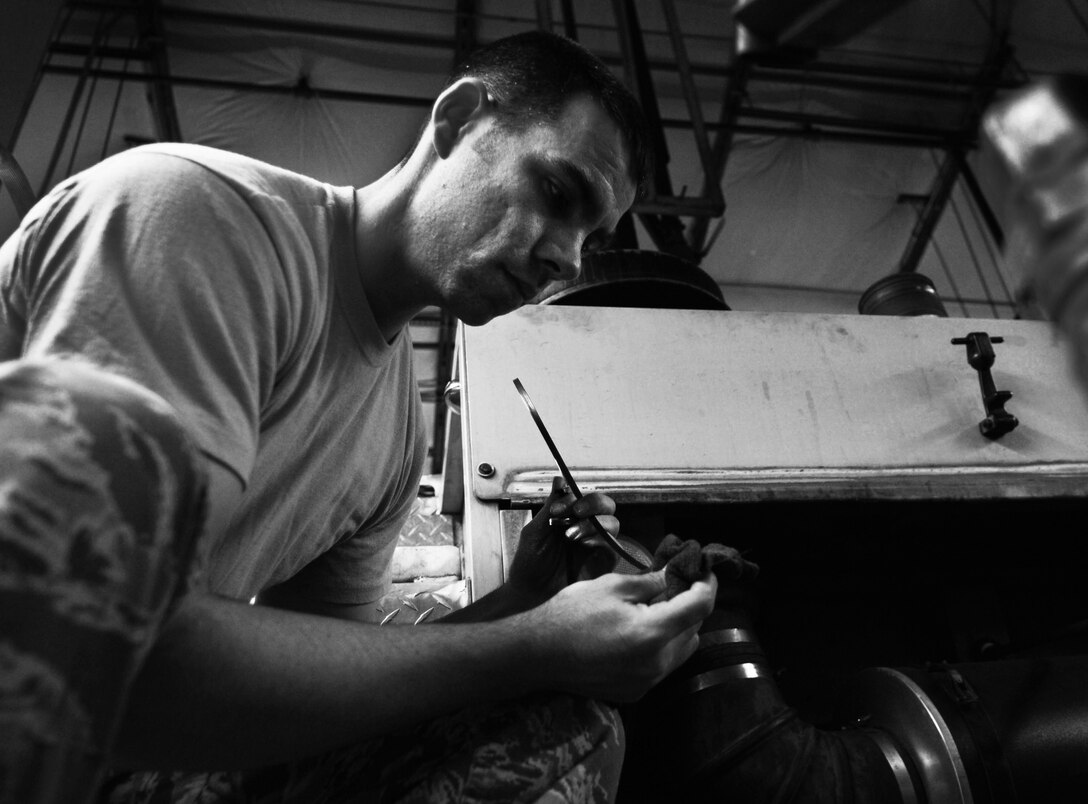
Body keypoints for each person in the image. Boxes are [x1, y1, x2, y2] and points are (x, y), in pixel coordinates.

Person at [0, 30, 718, 803]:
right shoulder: (196, 217)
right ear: (457, 121)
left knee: (557, 728)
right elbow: (116, 664)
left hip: (119, 762)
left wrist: (523, 601)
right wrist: (535, 645)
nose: (569, 261)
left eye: (594, 236)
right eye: (556, 193)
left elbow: (326, 680)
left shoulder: (393, 441)